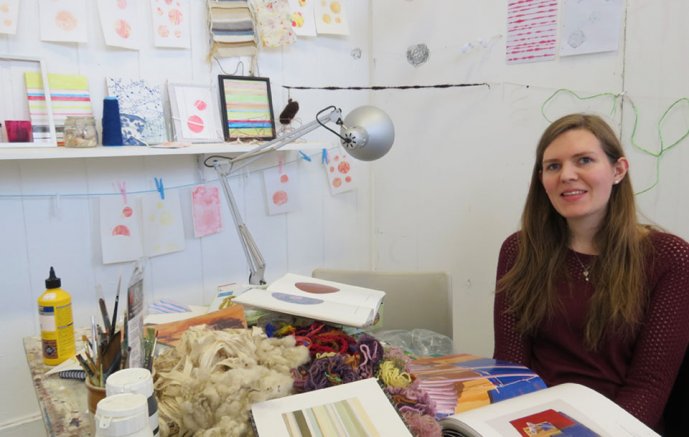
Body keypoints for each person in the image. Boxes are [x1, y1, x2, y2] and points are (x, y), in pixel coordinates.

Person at [493, 113, 689, 433]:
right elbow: (511, 367)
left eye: (584, 160)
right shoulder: (519, 250)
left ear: (618, 170)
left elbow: (649, 386)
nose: (567, 175)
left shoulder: (669, 257)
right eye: (553, 166)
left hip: (621, 425)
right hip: (535, 423)